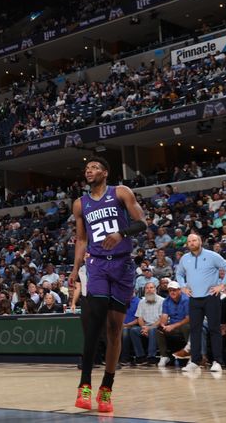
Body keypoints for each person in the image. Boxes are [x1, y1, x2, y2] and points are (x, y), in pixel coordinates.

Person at [70, 156, 147, 413]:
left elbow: (142, 222)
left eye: (94, 167)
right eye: (87, 168)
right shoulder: (80, 204)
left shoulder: (121, 193)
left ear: (105, 172)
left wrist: (121, 234)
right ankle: (84, 385)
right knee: (95, 321)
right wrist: (75, 268)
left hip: (123, 266)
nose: (88, 170)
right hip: (98, 265)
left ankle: (107, 388)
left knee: (115, 329)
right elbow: (81, 239)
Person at [176, 233, 226, 373]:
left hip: (211, 298)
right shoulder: (185, 258)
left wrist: (221, 285)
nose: (192, 243)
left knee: (214, 329)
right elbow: (179, 274)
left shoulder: (212, 255)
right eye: (189, 241)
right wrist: (182, 286)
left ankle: (217, 361)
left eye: (194, 240)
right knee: (195, 330)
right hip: (194, 299)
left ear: (200, 241)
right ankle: (195, 361)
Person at [155, 281, 190, 367]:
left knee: (186, 327)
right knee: (159, 330)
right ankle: (164, 356)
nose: (172, 292)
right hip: (173, 327)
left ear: (179, 290)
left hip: (184, 325)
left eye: (174, 290)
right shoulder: (166, 301)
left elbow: (188, 319)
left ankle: (190, 355)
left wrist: (172, 326)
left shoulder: (186, 300)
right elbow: (164, 316)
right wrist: (163, 324)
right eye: (170, 290)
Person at [128, 282, 164, 365]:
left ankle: (151, 357)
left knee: (153, 330)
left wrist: (149, 328)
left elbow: (162, 319)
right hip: (145, 326)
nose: (149, 290)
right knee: (133, 330)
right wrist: (144, 327)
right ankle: (140, 356)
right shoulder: (142, 302)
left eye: (151, 288)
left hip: (157, 326)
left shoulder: (162, 301)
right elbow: (139, 317)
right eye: (147, 288)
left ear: (155, 289)